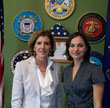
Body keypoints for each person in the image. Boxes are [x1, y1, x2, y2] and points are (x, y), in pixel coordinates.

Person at [11, 30, 62, 108]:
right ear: (33, 46)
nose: (42, 47)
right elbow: (16, 100)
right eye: (39, 43)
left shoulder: (56, 67)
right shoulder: (22, 66)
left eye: (46, 43)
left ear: (51, 47)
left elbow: (58, 97)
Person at [63, 32, 105, 108]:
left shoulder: (95, 70)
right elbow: (68, 98)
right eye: (72, 46)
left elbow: (97, 104)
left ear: (86, 48)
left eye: (80, 45)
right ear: (68, 48)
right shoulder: (66, 71)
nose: (76, 49)